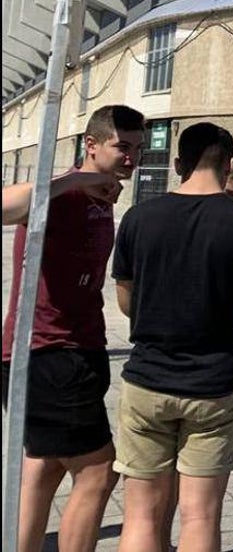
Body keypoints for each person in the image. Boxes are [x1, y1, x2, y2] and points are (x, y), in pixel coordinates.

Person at [112, 122, 233, 552]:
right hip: (215, 384)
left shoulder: (137, 218)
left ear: (177, 164)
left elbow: (126, 303)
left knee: (141, 516)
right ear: (229, 165)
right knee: (200, 515)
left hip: (147, 380)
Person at [1, 105, 144, 552]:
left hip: (76, 350)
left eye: (138, 148)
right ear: (92, 144)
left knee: (43, 470)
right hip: (48, 353)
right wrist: (78, 180)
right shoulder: (60, 191)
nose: (131, 157)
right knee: (98, 473)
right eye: (123, 146)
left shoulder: (101, 196)